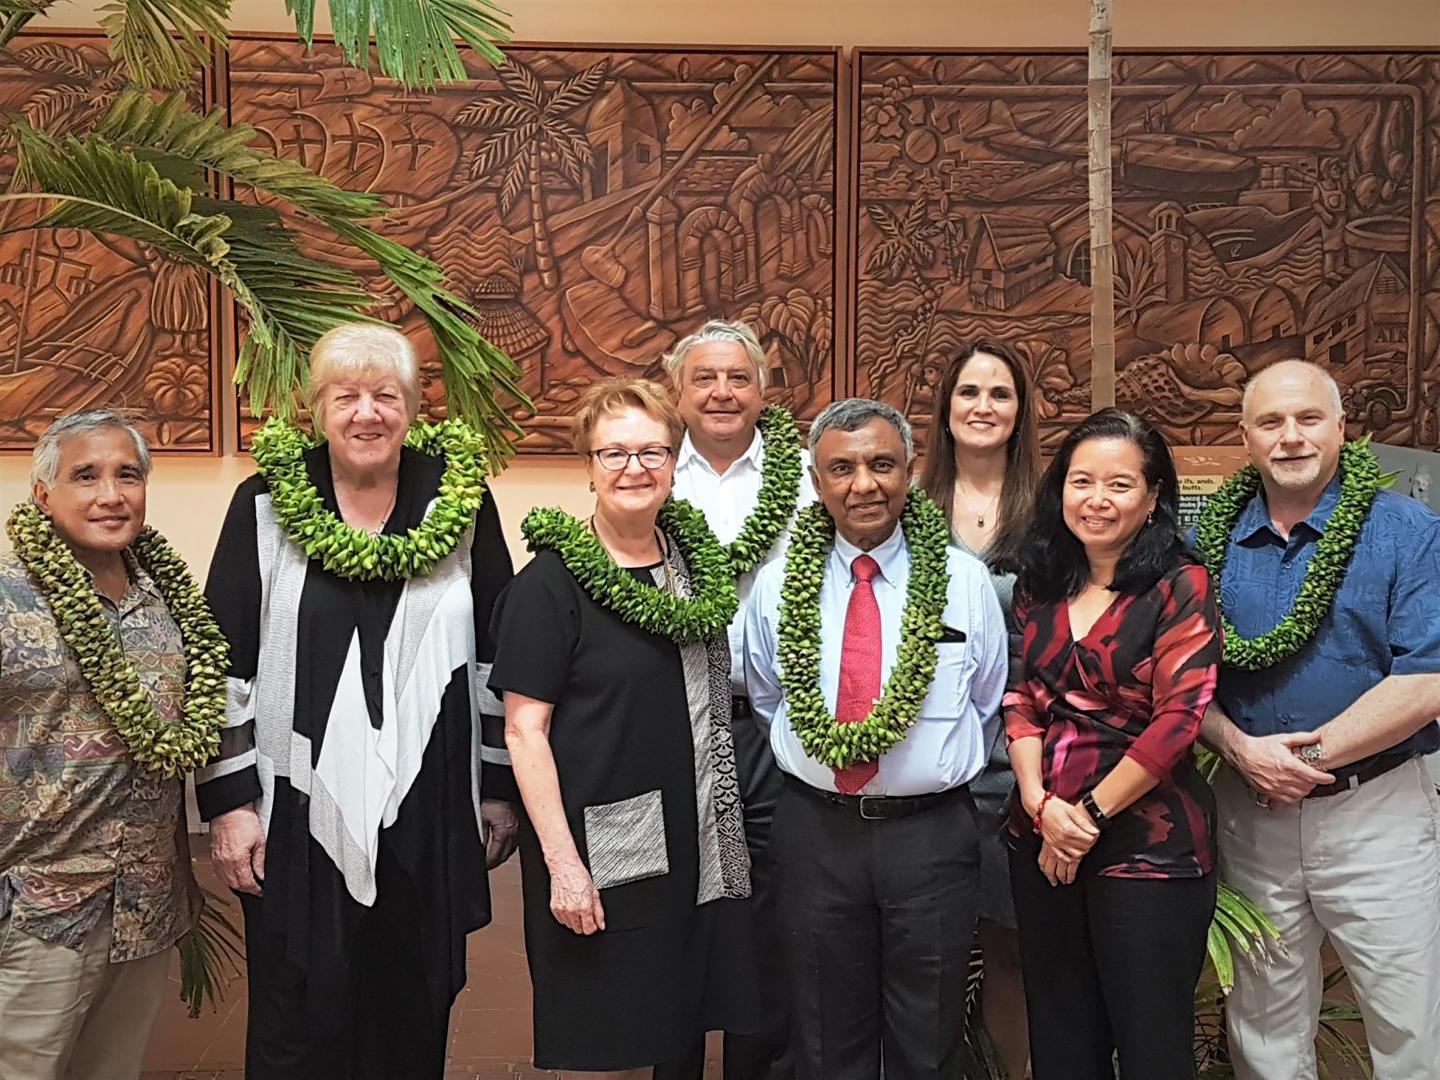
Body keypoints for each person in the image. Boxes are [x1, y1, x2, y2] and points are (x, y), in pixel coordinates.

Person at [199, 323, 519, 1079]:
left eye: (386, 395)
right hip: (293, 808)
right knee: (297, 1015)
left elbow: (498, 656)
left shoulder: (461, 500)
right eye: (346, 396)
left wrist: (498, 789)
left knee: (411, 1008)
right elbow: (222, 662)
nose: (367, 413)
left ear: (413, 407)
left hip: (431, 805)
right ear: (315, 409)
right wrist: (232, 805)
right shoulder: (266, 503)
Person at [489, 376, 759, 1077]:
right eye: (614, 454)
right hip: (609, 846)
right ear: (588, 466)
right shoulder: (549, 586)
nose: (634, 468)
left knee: (690, 1023)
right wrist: (563, 865)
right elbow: (524, 732)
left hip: (702, 840)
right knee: (634, 1027)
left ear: (675, 461)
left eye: (652, 451)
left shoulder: (693, 569)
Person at [744, 397, 1007, 1080]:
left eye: (882, 464)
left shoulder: (965, 583)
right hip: (816, 833)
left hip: (931, 839)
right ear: (817, 478)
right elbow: (771, 698)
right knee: (827, 1038)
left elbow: (987, 701)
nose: (864, 484)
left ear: (911, 470)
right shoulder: (776, 587)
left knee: (930, 1035)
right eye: (842, 468)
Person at [1194, 360, 1440, 1080]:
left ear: (1341, 428)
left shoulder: (1408, 531)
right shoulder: (1211, 539)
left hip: (1378, 814)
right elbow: (1177, 679)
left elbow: (1427, 680)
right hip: (1250, 813)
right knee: (1264, 1032)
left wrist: (1300, 761)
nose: (1291, 437)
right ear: (1246, 437)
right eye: (1271, 422)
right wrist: (1239, 749)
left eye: (1308, 419)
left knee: (1408, 1022)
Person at [1005, 408, 1220, 1080]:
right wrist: (1043, 808)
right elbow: (1020, 699)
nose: (1097, 500)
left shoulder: (1180, 583)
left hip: (1148, 849)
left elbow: (1179, 719)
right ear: (1059, 487)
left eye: (1120, 485)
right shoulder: (1039, 580)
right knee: (1064, 1044)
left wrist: (1087, 818)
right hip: (1041, 839)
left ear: (1153, 496)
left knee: (1153, 1047)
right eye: (1082, 481)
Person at [0, 411, 203, 1079]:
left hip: (143, 907)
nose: (110, 495)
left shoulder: (165, 598)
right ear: (43, 493)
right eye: (85, 476)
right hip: (34, 912)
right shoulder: (8, 598)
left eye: (128, 475)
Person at [665, 319, 815, 1080]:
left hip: (773, 724)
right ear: (677, 392)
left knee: (770, 910)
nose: (722, 392)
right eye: (705, 378)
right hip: (673, 723)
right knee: (678, 906)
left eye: (737, 377)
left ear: (762, 389)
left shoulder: (812, 476)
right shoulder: (650, 470)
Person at [918, 339, 1038, 1078]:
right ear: (946, 407)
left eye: (1000, 393)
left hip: (1014, 769)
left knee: (1009, 953)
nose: (984, 406)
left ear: (1020, 411)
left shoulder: (1051, 510)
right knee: (922, 957)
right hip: (921, 771)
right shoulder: (906, 504)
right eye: (969, 392)